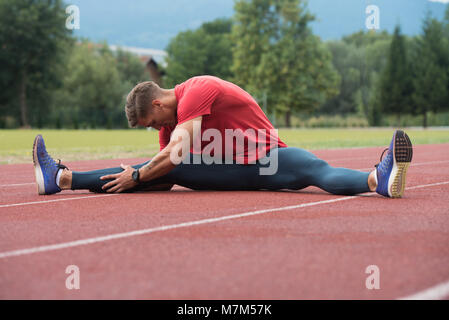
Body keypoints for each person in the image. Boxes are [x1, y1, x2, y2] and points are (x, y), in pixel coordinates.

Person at [32, 76, 413, 198]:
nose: (155, 130)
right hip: (259, 167)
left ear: (161, 103)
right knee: (313, 167)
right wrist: (138, 176)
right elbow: (163, 175)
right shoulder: (168, 123)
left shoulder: (198, 90)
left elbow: (171, 161)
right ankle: (61, 178)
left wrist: (138, 174)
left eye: (151, 122)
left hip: (264, 163)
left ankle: (379, 179)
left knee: (315, 168)